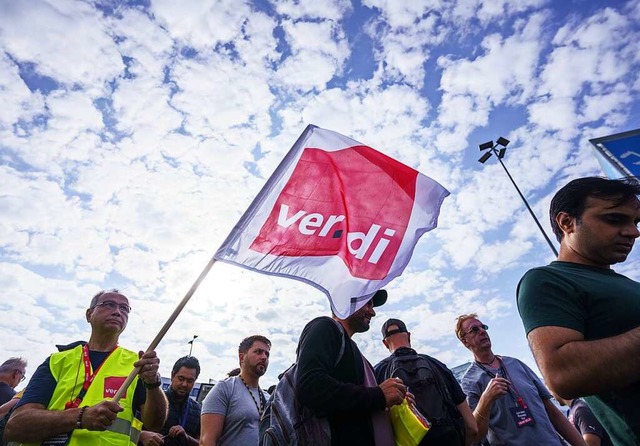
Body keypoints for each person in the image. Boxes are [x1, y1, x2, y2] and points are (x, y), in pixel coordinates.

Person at [516, 176, 640, 446]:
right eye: (615, 219)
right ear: (567, 222)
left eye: (635, 222)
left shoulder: (626, 284)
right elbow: (562, 376)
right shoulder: (546, 280)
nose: (634, 232)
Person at [4, 289, 168, 445]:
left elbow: (154, 424)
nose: (118, 312)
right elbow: (16, 426)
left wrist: (153, 384)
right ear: (89, 314)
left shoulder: (137, 364)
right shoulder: (57, 361)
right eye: (109, 304)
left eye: (125, 308)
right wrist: (80, 417)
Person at [295, 289, 407, 445]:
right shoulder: (325, 327)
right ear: (347, 300)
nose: (373, 312)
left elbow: (362, 407)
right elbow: (310, 385)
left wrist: (392, 401)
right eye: (368, 303)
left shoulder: (359, 356)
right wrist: (378, 395)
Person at [455, 313, 585, 446]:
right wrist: (486, 400)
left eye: (483, 327)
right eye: (475, 329)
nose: (482, 331)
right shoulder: (469, 381)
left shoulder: (516, 364)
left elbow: (553, 412)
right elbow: (475, 435)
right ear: (465, 341)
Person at [374, 318, 477, 445]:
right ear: (409, 336)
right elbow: (472, 427)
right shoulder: (437, 365)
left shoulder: (377, 372)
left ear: (385, 343)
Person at [200, 335, 271, 445]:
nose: (264, 357)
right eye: (258, 352)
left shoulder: (268, 398)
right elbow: (207, 441)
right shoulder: (224, 389)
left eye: (267, 354)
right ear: (242, 357)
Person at [139, 356, 202, 446]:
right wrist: (142, 435)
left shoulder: (198, 410)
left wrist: (187, 438)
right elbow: (130, 427)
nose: (184, 384)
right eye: (181, 378)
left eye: (190, 381)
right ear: (172, 375)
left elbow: (203, 442)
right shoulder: (153, 400)